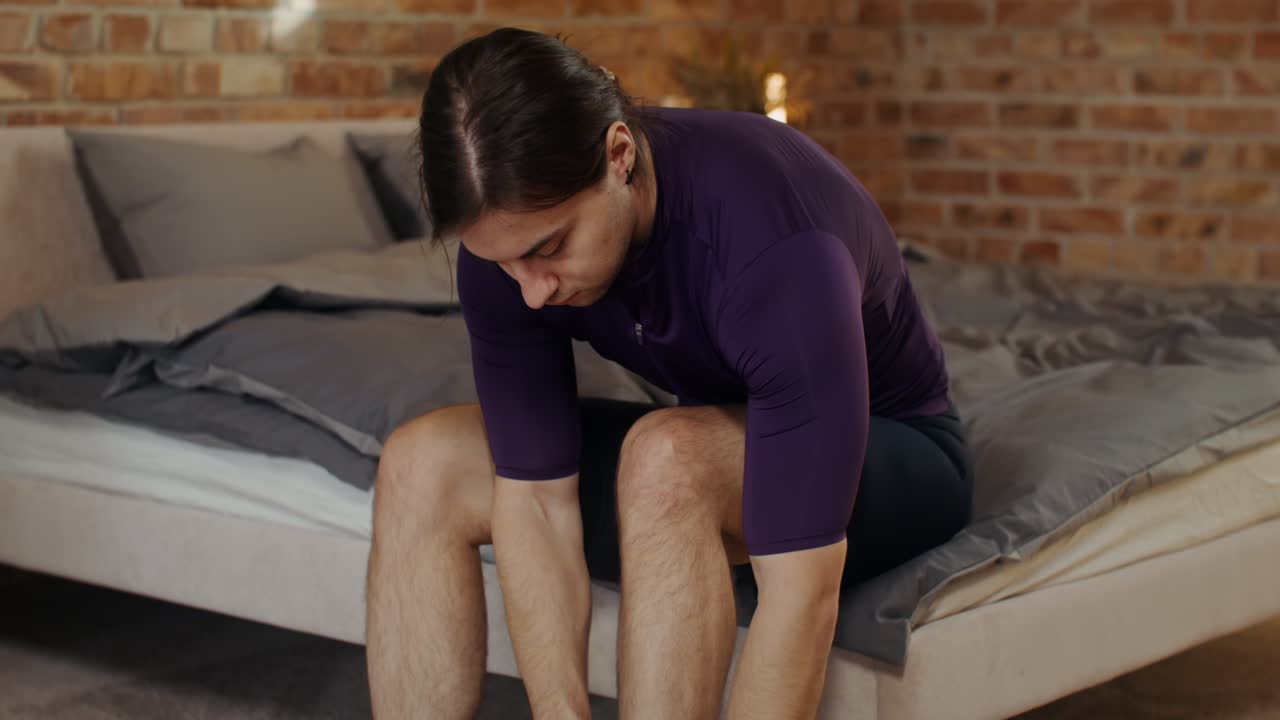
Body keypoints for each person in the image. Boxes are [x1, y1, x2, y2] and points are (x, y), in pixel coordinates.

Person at [365, 27, 974, 720]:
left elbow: (802, 598)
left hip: (893, 451)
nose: (531, 290)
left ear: (619, 155)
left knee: (667, 456)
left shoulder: (773, 239)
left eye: (551, 247)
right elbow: (536, 499)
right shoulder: (507, 254)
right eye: (505, 263)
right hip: (727, 444)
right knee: (421, 463)